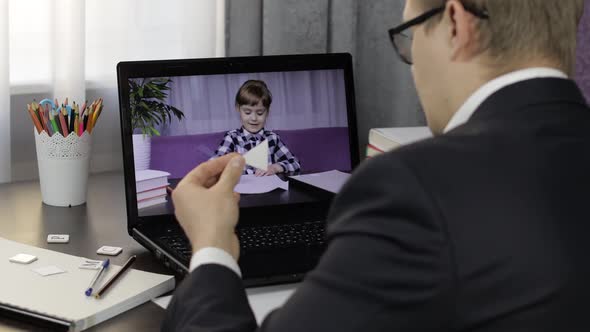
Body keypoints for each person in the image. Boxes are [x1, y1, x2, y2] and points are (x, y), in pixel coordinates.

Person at [163, 0, 590, 331]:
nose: (413, 65)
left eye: (411, 34)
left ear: (457, 25)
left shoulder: (411, 187)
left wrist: (211, 245)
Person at [212, 79, 301, 176]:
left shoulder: (272, 138)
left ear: (267, 112)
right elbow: (214, 166)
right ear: (238, 109)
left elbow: (295, 163)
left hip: (269, 189)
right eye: (247, 112)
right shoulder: (232, 138)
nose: (254, 118)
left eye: (260, 113)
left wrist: (275, 167)